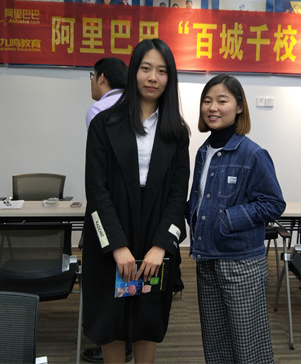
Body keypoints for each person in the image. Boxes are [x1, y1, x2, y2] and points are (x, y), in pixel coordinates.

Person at [83, 38, 190, 364]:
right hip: (111, 235)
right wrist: (117, 246)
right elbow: (96, 190)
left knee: (148, 318)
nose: (153, 77)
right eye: (146, 68)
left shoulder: (176, 132)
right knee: (110, 321)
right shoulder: (104, 124)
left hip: (154, 234)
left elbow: (178, 195)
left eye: (161, 71)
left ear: (170, 78)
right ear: (134, 72)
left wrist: (161, 246)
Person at [186, 74, 286, 364]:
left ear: (239, 107)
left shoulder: (252, 153)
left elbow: (274, 203)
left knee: (248, 346)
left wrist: (228, 219)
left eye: (222, 101)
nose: (212, 108)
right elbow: (200, 197)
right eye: (207, 101)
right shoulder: (204, 151)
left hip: (241, 264)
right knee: (216, 343)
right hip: (207, 259)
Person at [82, 57, 133, 363]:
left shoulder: (99, 111)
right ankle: (127, 341)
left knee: (106, 286)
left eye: (91, 76)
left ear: (101, 77)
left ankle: (114, 345)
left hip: (108, 211)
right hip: (135, 212)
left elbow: (98, 173)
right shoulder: (138, 108)